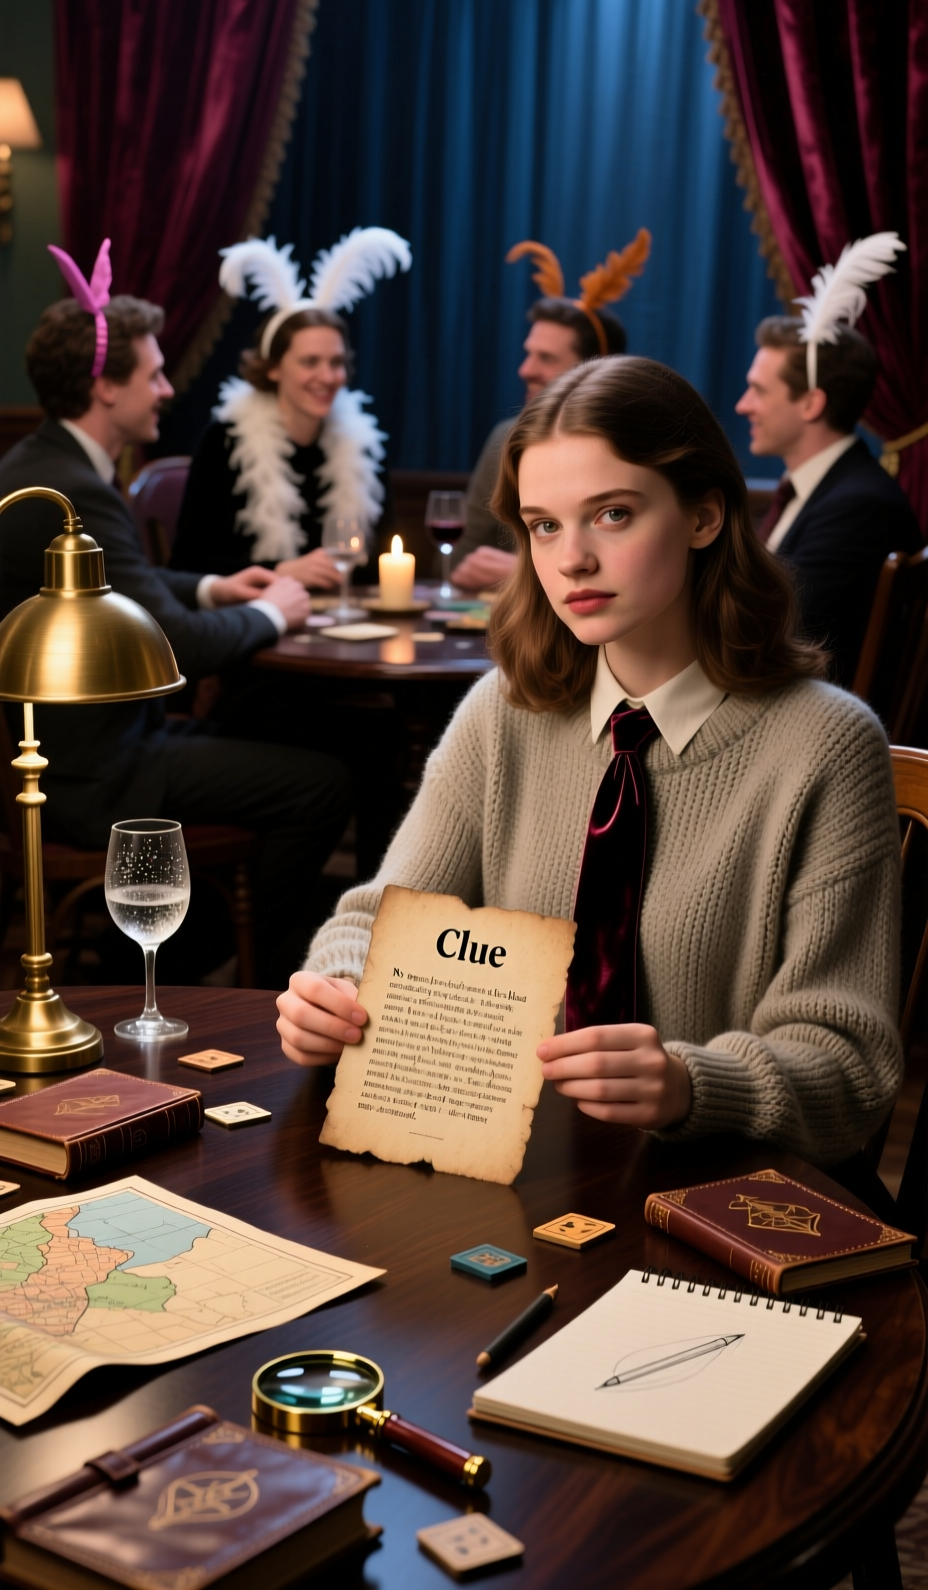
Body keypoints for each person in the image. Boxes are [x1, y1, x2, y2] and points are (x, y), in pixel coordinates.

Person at [278, 354, 903, 1167]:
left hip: (713, 1190)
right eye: (544, 525)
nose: (571, 558)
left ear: (705, 515)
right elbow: (373, 921)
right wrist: (334, 990)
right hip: (514, 1176)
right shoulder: (502, 712)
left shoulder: (826, 745)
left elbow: (851, 1070)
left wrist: (690, 1084)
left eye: (612, 514)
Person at [0, 243, 351, 986]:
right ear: (105, 386)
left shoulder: (49, 464)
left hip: (91, 746)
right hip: (92, 771)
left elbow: (127, 589)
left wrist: (216, 588)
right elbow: (172, 643)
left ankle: (177, 952)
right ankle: (205, 969)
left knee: (287, 734)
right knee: (321, 784)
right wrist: (275, 611)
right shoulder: (71, 489)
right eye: (154, 374)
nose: (166, 389)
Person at [170, 229, 411, 583]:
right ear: (272, 368)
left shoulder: (363, 446)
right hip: (253, 613)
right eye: (310, 362)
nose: (327, 376)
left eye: (336, 362)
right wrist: (280, 571)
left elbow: (379, 565)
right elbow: (186, 566)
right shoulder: (224, 441)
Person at [736, 237, 922, 687]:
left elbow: (777, 632)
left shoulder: (858, 507)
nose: (743, 405)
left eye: (759, 390)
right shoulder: (821, 490)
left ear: (811, 403)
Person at [450, 232, 649, 592]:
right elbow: (456, 561)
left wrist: (525, 571)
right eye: (528, 354)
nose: (525, 370)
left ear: (594, 369)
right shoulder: (505, 440)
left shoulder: (641, 448)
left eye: (546, 358)